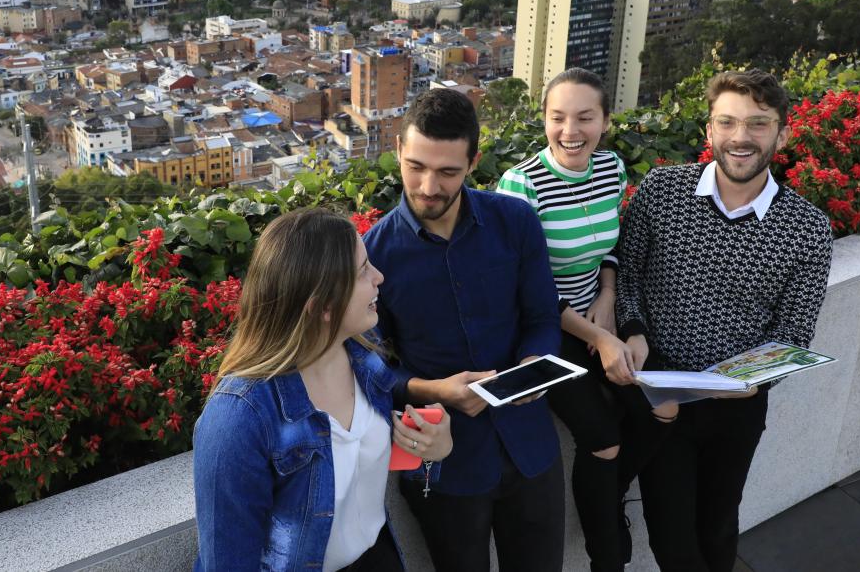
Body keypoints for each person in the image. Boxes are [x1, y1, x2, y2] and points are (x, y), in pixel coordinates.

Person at [615, 69, 833, 572]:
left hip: (736, 408)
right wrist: (634, 331)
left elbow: (793, 334)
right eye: (728, 122)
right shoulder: (662, 189)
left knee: (718, 528)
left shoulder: (807, 229)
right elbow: (628, 273)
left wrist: (754, 383)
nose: (741, 137)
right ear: (708, 129)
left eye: (758, 124)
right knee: (672, 539)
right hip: (661, 393)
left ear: (783, 133)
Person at [363, 88, 565, 572]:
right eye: (416, 167)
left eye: (448, 172)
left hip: (531, 449)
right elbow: (369, 367)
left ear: (473, 161)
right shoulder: (373, 254)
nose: (429, 186)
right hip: (443, 468)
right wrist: (434, 390)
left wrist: (534, 364)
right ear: (397, 151)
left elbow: (542, 318)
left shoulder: (515, 221)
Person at [193, 208, 454, 572]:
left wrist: (432, 453)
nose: (379, 277)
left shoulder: (363, 352)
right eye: (363, 270)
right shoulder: (237, 417)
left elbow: (362, 456)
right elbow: (228, 563)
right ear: (323, 307)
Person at [496, 68, 676, 572]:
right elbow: (522, 286)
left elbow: (612, 247)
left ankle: (605, 497)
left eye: (584, 118)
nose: (570, 131)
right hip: (542, 328)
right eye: (557, 118)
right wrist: (598, 336)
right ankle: (608, 555)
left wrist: (608, 292)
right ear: (545, 120)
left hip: (595, 314)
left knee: (664, 408)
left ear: (605, 122)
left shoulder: (610, 168)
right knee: (603, 438)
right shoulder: (521, 184)